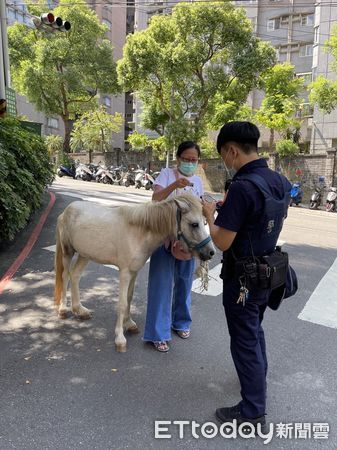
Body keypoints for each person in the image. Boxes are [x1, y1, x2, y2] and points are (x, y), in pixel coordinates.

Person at [202, 121, 291, 429]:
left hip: (243, 278)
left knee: (243, 339)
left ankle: (252, 410)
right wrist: (233, 209)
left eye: (224, 156)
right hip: (270, 271)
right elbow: (265, 215)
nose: (225, 162)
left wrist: (209, 215)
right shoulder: (277, 179)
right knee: (255, 330)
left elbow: (222, 241)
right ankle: (258, 378)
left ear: (232, 150)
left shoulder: (242, 187)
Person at [143, 141, 204, 352]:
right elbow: (155, 198)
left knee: (185, 282)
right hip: (164, 237)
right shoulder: (166, 175)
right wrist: (174, 186)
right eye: (186, 159)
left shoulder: (197, 181)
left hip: (188, 241)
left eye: (193, 160)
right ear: (178, 158)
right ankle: (158, 334)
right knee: (161, 283)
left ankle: (181, 323)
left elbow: (198, 209)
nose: (189, 163)